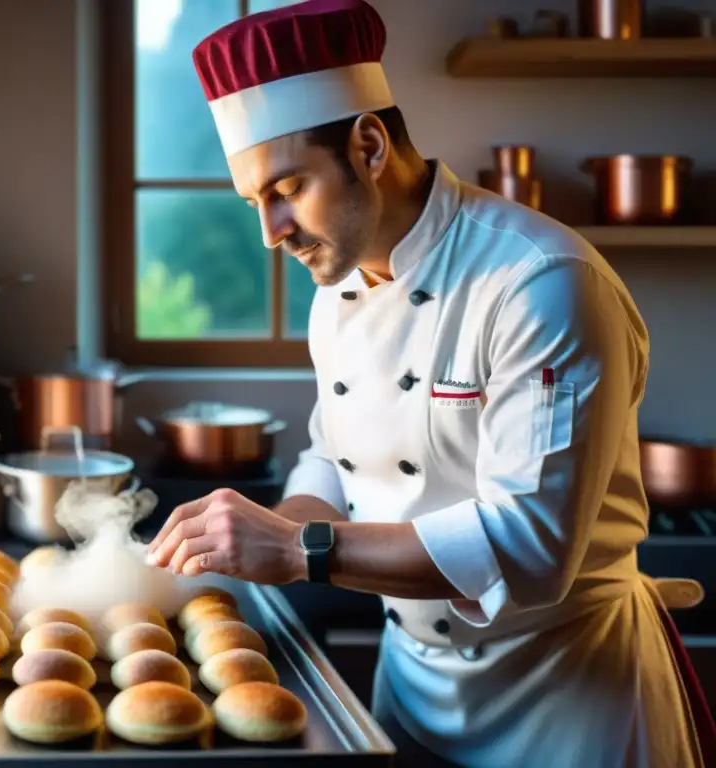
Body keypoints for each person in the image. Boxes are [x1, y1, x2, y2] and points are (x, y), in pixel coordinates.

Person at [145, 1, 716, 765]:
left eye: (286, 189)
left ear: (370, 144)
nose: (269, 232)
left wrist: (298, 549)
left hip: (568, 700)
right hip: (409, 695)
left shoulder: (538, 282)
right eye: (255, 202)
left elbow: (531, 549)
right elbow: (331, 459)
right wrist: (264, 533)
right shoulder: (337, 294)